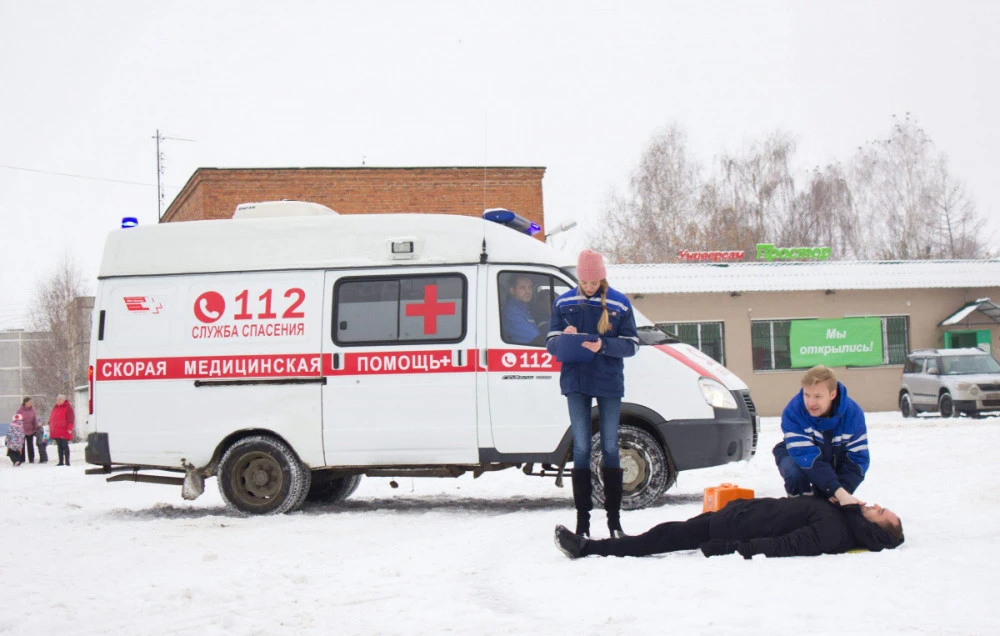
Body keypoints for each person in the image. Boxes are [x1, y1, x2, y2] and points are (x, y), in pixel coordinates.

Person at [547, 249, 639, 538]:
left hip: (608, 382)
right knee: (582, 448)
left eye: (594, 282)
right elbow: (550, 343)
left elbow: (632, 344)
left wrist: (604, 346)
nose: (589, 287)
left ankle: (614, 522)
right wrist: (564, 339)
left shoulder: (619, 303)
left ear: (602, 278)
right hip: (575, 382)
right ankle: (582, 524)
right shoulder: (563, 303)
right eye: (584, 282)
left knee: (610, 446)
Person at [554, 495, 904, 559]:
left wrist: (732, 549)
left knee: (662, 537)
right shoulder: (841, 514)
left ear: (877, 531)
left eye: (881, 512)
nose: (875, 505)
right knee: (661, 535)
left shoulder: (834, 533)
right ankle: (617, 545)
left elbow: (784, 545)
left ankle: (588, 548)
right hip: (731, 517)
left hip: (728, 532)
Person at [772, 366, 869, 505]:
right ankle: (798, 507)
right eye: (807, 395)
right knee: (794, 472)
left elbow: (858, 459)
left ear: (832, 394)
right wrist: (836, 489)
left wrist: (841, 491)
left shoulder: (853, 415)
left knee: (830, 502)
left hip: (835, 455)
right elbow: (806, 456)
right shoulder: (793, 412)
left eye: (818, 396)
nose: (811, 402)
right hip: (797, 453)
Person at [501, 275, 544, 346]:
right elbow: (536, 341)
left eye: (530, 287)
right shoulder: (512, 312)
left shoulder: (523, 308)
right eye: (522, 288)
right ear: (512, 291)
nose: (528, 292)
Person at [49, 394, 75, 467]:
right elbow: (52, 418)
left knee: (65, 446)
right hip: (57, 430)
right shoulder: (55, 408)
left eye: (60, 399)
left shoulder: (67, 408)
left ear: (64, 400)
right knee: (59, 447)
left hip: (64, 430)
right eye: (57, 400)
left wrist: (69, 428)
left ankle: (67, 461)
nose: (58, 401)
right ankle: (60, 461)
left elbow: (70, 419)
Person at [16, 397, 39, 464]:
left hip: (30, 430)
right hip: (22, 430)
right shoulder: (20, 410)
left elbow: (34, 419)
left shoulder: (32, 410)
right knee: (22, 445)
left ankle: (31, 459)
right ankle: (22, 459)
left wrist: (35, 427)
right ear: (25, 403)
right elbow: (17, 419)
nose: (30, 403)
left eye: (31, 402)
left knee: (30, 445)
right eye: (29, 402)